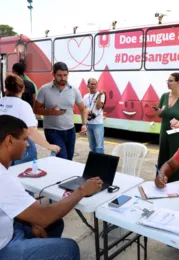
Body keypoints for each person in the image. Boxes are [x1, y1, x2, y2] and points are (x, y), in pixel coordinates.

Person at [0, 115, 103, 260]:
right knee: (69, 248)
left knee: (55, 223)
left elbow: (14, 209)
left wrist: (32, 221)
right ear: (9, 140)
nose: (28, 144)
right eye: (24, 139)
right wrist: (82, 191)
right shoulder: (3, 178)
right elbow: (44, 217)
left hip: (8, 229)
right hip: (4, 247)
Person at [0, 74, 60, 165]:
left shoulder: (1, 101)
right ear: (23, 88)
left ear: (5, 88)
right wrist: (49, 146)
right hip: (21, 147)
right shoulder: (23, 105)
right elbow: (30, 131)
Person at [34, 62, 88, 160]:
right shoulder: (44, 89)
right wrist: (50, 112)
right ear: (53, 75)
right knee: (62, 157)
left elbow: (83, 108)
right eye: (59, 75)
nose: (63, 78)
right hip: (52, 130)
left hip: (70, 130)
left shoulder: (73, 90)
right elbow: (36, 109)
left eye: (65, 75)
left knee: (69, 159)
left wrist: (84, 124)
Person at [154, 72, 179, 184]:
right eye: (167, 81)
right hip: (164, 134)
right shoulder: (164, 96)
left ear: (178, 83)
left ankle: (178, 184)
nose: (168, 83)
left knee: (177, 160)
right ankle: (162, 181)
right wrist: (158, 112)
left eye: (170, 81)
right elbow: (160, 115)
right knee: (163, 158)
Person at [83, 78, 106, 154]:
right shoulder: (86, 96)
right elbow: (84, 108)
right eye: (91, 84)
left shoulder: (101, 94)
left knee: (99, 146)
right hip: (89, 124)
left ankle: (100, 163)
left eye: (95, 84)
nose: (93, 85)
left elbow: (99, 106)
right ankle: (93, 162)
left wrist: (99, 96)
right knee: (92, 146)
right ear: (88, 85)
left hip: (98, 123)